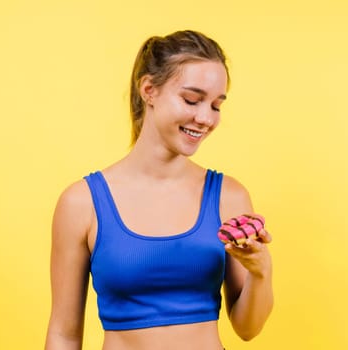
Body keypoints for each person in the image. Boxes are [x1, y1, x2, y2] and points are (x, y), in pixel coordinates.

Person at [44, 30, 273, 350]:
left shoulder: (229, 196)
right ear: (149, 90)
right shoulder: (82, 203)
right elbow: (64, 334)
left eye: (216, 105)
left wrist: (260, 271)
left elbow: (248, 329)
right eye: (192, 99)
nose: (205, 118)